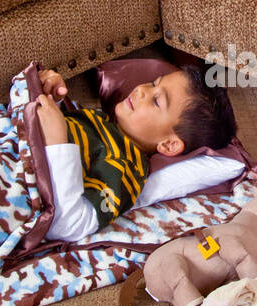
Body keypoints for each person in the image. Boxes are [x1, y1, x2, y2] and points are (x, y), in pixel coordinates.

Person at [32, 63, 237, 241]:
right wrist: (48, 97)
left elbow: (70, 224)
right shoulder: (100, 121)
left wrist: (56, 143)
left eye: (157, 101)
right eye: (154, 83)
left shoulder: (125, 168)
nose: (142, 90)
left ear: (168, 145)